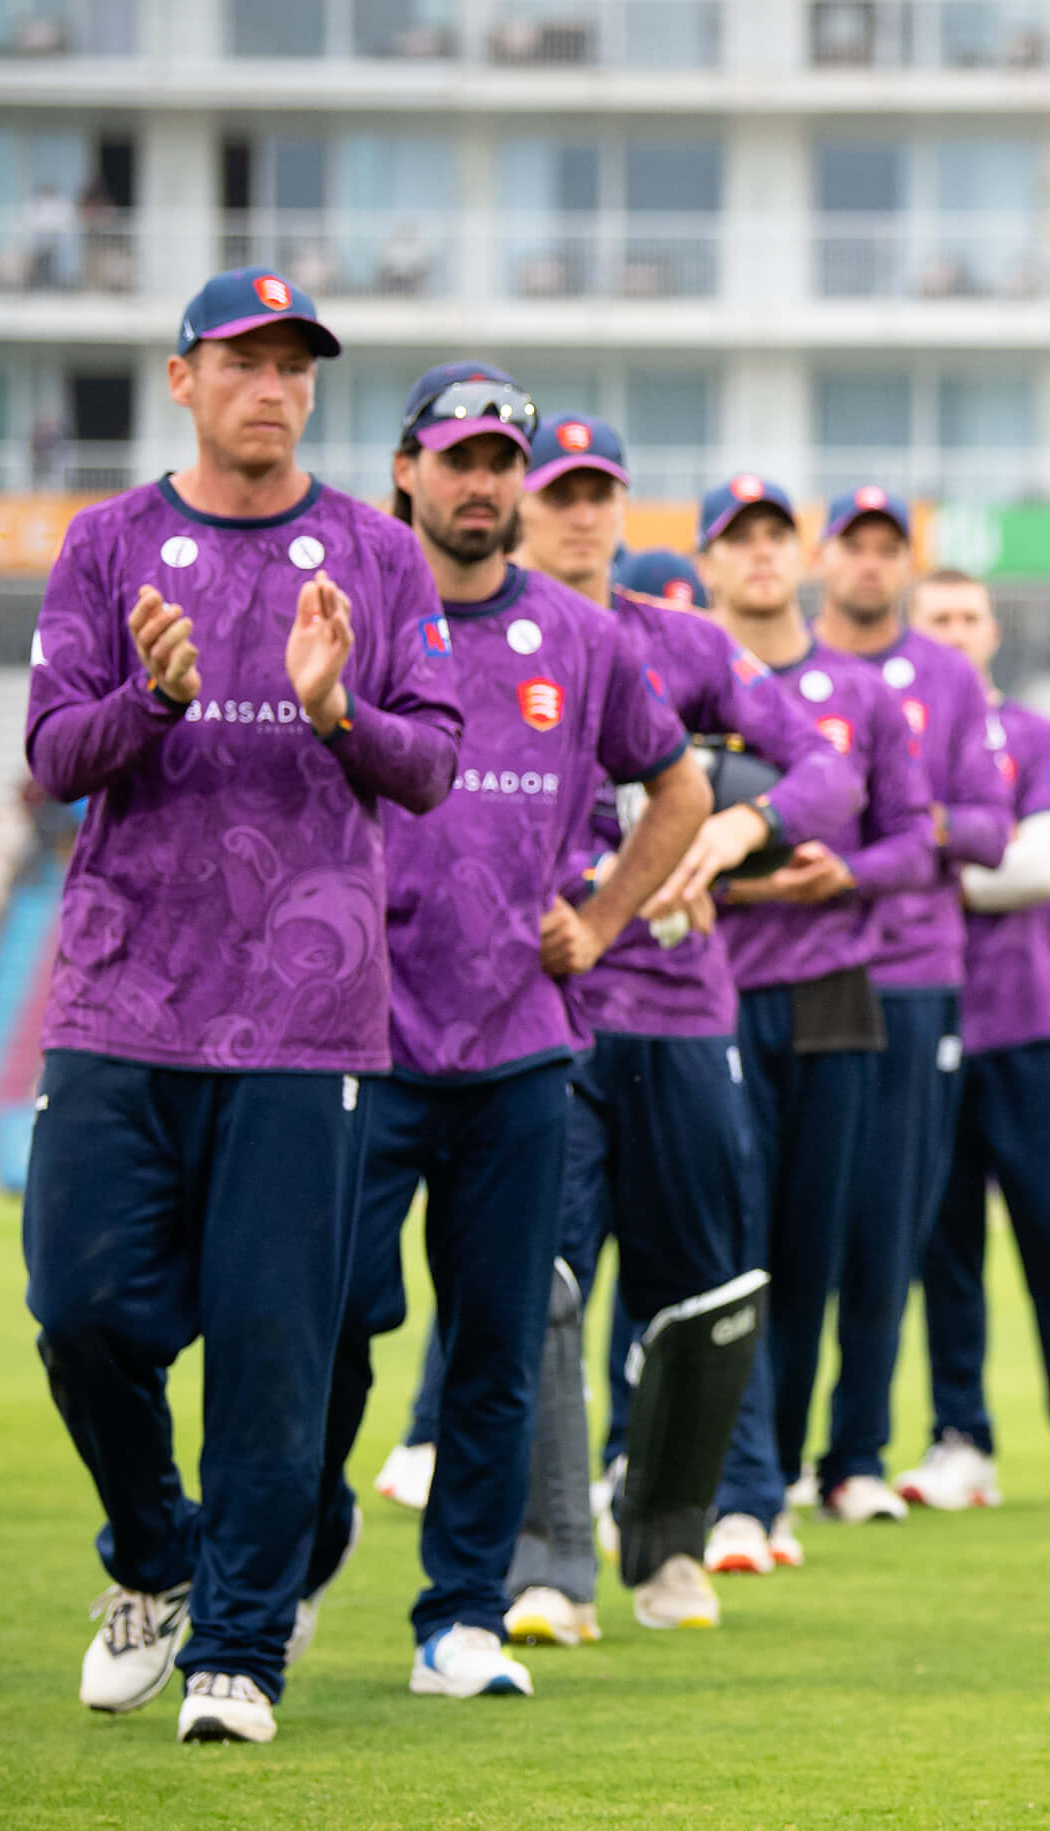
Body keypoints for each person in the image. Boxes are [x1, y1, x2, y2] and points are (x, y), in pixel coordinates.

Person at [22, 268, 461, 1746]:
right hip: (118, 996)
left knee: (277, 1349)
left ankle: (243, 1652)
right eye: (244, 360)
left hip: (308, 1019)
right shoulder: (106, 544)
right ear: (183, 379)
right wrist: (152, 698)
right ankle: (153, 1555)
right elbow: (52, 757)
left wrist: (337, 711)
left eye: (295, 365)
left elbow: (431, 769)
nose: (272, 386)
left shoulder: (376, 559)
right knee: (77, 1314)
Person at [298, 366, 707, 1698]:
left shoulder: (583, 644)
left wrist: (600, 923)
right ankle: (298, 1553)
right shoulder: (347, 617)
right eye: (458, 457)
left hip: (522, 1044)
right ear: (406, 469)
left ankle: (460, 1615)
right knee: (322, 1328)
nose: (483, 484)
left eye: (503, 461)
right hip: (355, 1044)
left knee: (497, 1341)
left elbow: (681, 785)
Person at [503, 415, 858, 1638]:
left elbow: (825, 762)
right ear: (521, 506)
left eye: (602, 491)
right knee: (544, 1281)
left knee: (699, 1290)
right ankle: (547, 1563)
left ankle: (668, 1546)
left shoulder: (685, 644)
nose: (584, 513)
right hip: (541, 1013)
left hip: (684, 1005)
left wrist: (742, 829)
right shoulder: (485, 636)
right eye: (562, 492)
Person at [691, 477, 933, 1574]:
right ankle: (687, 1469)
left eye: (772, 535)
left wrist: (843, 872)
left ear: (802, 558)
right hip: (711, 988)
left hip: (835, 989)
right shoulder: (687, 681)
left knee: (807, 1243)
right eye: (733, 537)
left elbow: (911, 843)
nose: (755, 554)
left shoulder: (857, 692)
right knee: (715, 1243)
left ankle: (775, 1474)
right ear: (702, 560)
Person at [904, 567, 1050, 1512]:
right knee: (941, 1243)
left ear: (991, 630)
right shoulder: (895, 740)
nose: (954, 633)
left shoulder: (1036, 737)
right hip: (921, 1021)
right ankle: (959, 1439)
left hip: (1029, 1023)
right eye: (937, 620)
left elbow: (1046, 864)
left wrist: (902, 868)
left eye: (967, 617)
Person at [807, 488, 1013, 1522]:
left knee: (888, 1224)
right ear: (825, 555)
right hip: (797, 971)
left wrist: (895, 822)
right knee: (780, 1220)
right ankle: (758, 1453)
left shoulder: (948, 681)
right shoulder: (789, 674)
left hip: (914, 971)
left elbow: (989, 827)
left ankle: (852, 1453)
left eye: (891, 548)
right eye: (857, 545)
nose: (872, 564)